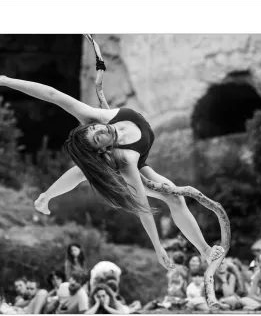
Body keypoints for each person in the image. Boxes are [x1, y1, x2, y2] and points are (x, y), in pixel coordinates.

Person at [0, 35, 224, 271]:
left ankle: (46, 196)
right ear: (103, 147)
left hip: (132, 154)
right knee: (172, 196)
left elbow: (52, 95)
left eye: (95, 129)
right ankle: (207, 251)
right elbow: (142, 208)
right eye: (98, 137)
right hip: (138, 164)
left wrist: (5, 81)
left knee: (85, 168)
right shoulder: (125, 161)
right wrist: (158, 247)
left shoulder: (99, 118)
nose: (101, 129)